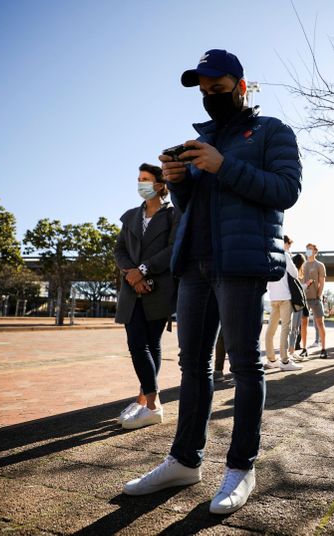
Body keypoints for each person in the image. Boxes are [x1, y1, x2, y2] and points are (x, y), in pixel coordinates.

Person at [122, 49, 302, 516]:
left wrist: (224, 165)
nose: (210, 98)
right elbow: (195, 205)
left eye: (217, 89)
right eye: (203, 92)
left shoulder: (272, 131)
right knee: (193, 364)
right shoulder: (199, 140)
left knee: (245, 365)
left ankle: (241, 466)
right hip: (195, 263)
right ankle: (184, 460)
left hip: (241, 262)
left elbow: (286, 190)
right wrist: (180, 181)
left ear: (241, 85)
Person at [114, 163, 177, 430]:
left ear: (161, 185)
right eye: (139, 179)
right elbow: (119, 250)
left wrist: (144, 270)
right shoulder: (130, 216)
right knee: (138, 344)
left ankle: (150, 405)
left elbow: (174, 249)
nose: (141, 184)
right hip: (132, 288)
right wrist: (131, 273)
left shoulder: (173, 215)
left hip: (158, 289)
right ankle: (146, 401)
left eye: (147, 179)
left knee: (150, 344)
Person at [264, 236, 302, 371]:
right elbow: (295, 274)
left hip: (273, 297)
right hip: (285, 297)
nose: (289, 247)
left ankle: (271, 359)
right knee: (285, 329)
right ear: (284, 243)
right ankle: (285, 361)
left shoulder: (267, 254)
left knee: (271, 330)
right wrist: (289, 258)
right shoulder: (284, 254)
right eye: (289, 245)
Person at [303, 243, 328, 358]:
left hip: (315, 298)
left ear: (315, 251)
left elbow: (322, 283)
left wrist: (318, 295)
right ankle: (304, 349)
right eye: (307, 249)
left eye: (310, 249)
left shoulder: (319, 265)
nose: (308, 250)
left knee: (320, 323)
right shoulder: (303, 265)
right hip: (304, 299)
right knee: (303, 324)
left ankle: (323, 349)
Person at [288, 253, 307, 361]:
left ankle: (291, 351)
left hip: (291, 303)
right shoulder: (295, 275)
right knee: (294, 329)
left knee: (292, 329)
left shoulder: (291, 274)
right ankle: (291, 352)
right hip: (296, 305)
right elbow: (297, 291)